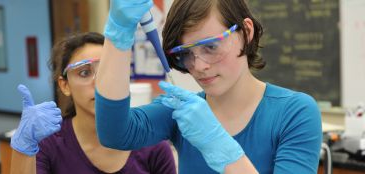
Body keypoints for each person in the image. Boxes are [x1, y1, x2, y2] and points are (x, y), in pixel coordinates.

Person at [94, 0, 322, 174]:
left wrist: (220, 147)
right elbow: (114, 134)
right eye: (186, 54)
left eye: (211, 47)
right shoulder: (183, 112)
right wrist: (118, 32)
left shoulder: (295, 112)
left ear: (246, 32)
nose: (199, 66)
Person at [10, 32, 176, 174]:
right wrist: (23, 149)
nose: (99, 83)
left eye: (106, 71)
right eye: (84, 72)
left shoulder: (153, 144)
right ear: (65, 85)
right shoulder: (49, 145)